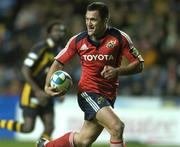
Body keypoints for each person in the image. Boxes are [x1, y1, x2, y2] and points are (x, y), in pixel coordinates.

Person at [37, 2, 144, 147]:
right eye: (87, 19)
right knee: (117, 127)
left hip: (108, 95)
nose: (89, 23)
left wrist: (118, 71)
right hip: (88, 92)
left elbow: (139, 65)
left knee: (83, 141)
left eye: (93, 19)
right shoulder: (77, 40)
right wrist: (46, 85)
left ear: (105, 20)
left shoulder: (119, 38)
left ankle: (45, 145)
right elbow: (57, 63)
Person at [0, 20, 66, 140]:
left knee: (50, 127)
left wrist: (61, 91)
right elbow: (25, 69)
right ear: (49, 33)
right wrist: (37, 91)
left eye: (61, 31)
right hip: (31, 91)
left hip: (47, 91)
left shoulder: (60, 50)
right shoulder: (41, 48)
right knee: (28, 128)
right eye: (56, 30)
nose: (59, 33)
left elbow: (57, 72)